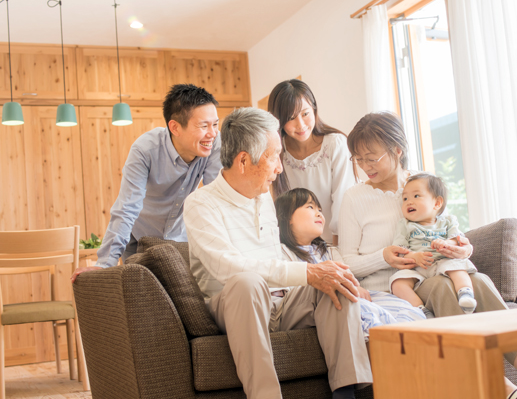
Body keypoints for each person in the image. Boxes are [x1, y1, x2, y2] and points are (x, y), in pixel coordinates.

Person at [338, 111, 517, 399]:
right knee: (447, 287)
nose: (365, 166)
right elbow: (346, 263)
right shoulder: (354, 198)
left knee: (478, 280)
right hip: (399, 287)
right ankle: (503, 389)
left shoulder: (421, 185)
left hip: (436, 268)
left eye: (372, 157)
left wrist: (463, 247)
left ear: (397, 150)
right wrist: (383, 256)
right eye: (358, 159)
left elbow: (448, 228)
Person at [182, 107, 371, 399]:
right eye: (274, 157)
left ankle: (347, 393)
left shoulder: (264, 197)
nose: (280, 168)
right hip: (235, 303)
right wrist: (306, 272)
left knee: (335, 280)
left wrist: (321, 271)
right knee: (247, 282)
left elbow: (276, 259)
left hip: (281, 302)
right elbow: (226, 267)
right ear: (244, 160)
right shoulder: (200, 204)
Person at [70, 84, 222, 282]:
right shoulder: (145, 150)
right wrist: (104, 264)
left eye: (215, 124)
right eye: (204, 126)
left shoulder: (212, 145)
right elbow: (127, 208)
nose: (212, 133)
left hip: (179, 237)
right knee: (142, 299)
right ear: (175, 127)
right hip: (138, 239)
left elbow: (216, 199)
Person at [275, 187, 425, 340]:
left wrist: (357, 287)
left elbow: (348, 275)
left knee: (402, 307)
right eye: (310, 207)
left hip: (350, 296)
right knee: (366, 311)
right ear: (287, 217)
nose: (319, 213)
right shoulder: (280, 252)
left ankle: (412, 341)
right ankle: (386, 342)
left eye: (319, 208)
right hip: (319, 303)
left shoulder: (328, 251)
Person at [268, 79, 355, 245]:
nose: (300, 124)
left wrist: (335, 250)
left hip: (338, 242)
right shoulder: (277, 152)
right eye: (291, 118)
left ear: (314, 109)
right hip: (297, 248)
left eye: (305, 114)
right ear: (278, 120)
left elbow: (343, 202)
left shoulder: (335, 145)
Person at [390, 173, 478, 318]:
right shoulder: (404, 225)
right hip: (417, 267)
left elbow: (458, 239)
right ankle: (421, 310)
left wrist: (446, 243)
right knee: (398, 283)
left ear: (437, 203)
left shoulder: (448, 221)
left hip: (443, 260)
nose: (409, 202)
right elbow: (399, 248)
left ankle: (465, 293)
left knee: (457, 268)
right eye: (405, 198)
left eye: (416, 196)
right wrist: (414, 256)